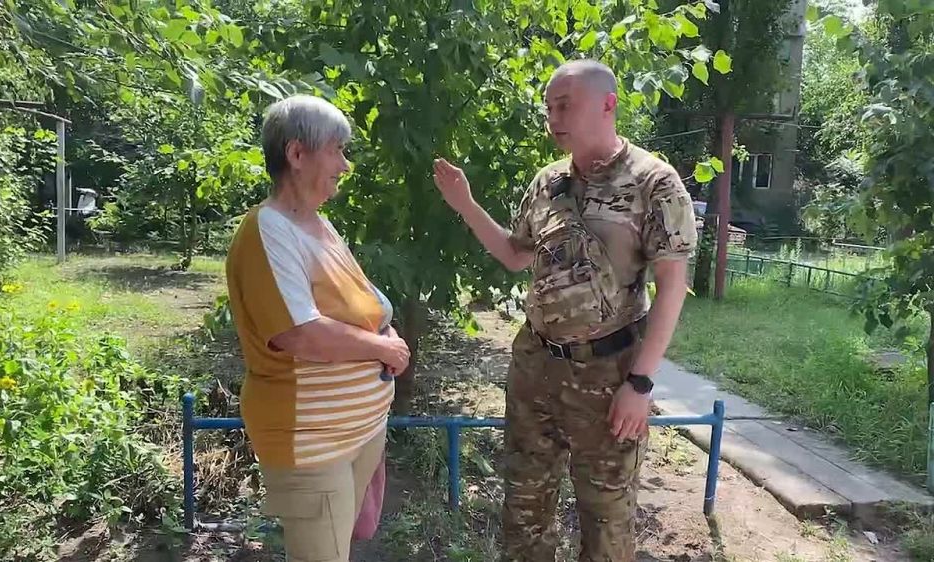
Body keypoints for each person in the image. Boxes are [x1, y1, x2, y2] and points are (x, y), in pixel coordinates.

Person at [432, 60, 698, 561]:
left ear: (607, 104)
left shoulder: (653, 183)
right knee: (524, 510)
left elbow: (672, 288)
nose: (553, 117)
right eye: (549, 107)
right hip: (536, 365)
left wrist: (640, 383)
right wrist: (464, 203)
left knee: (607, 520)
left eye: (564, 105)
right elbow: (515, 255)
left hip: (607, 374)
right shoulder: (548, 182)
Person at [225, 94, 410, 562]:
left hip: (354, 431)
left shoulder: (317, 225)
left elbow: (362, 306)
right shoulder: (268, 229)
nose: (344, 165)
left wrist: (383, 337)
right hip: (312, 440)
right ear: (297, 153)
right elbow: (299, 333)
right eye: (337, 150)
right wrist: (384, 350)